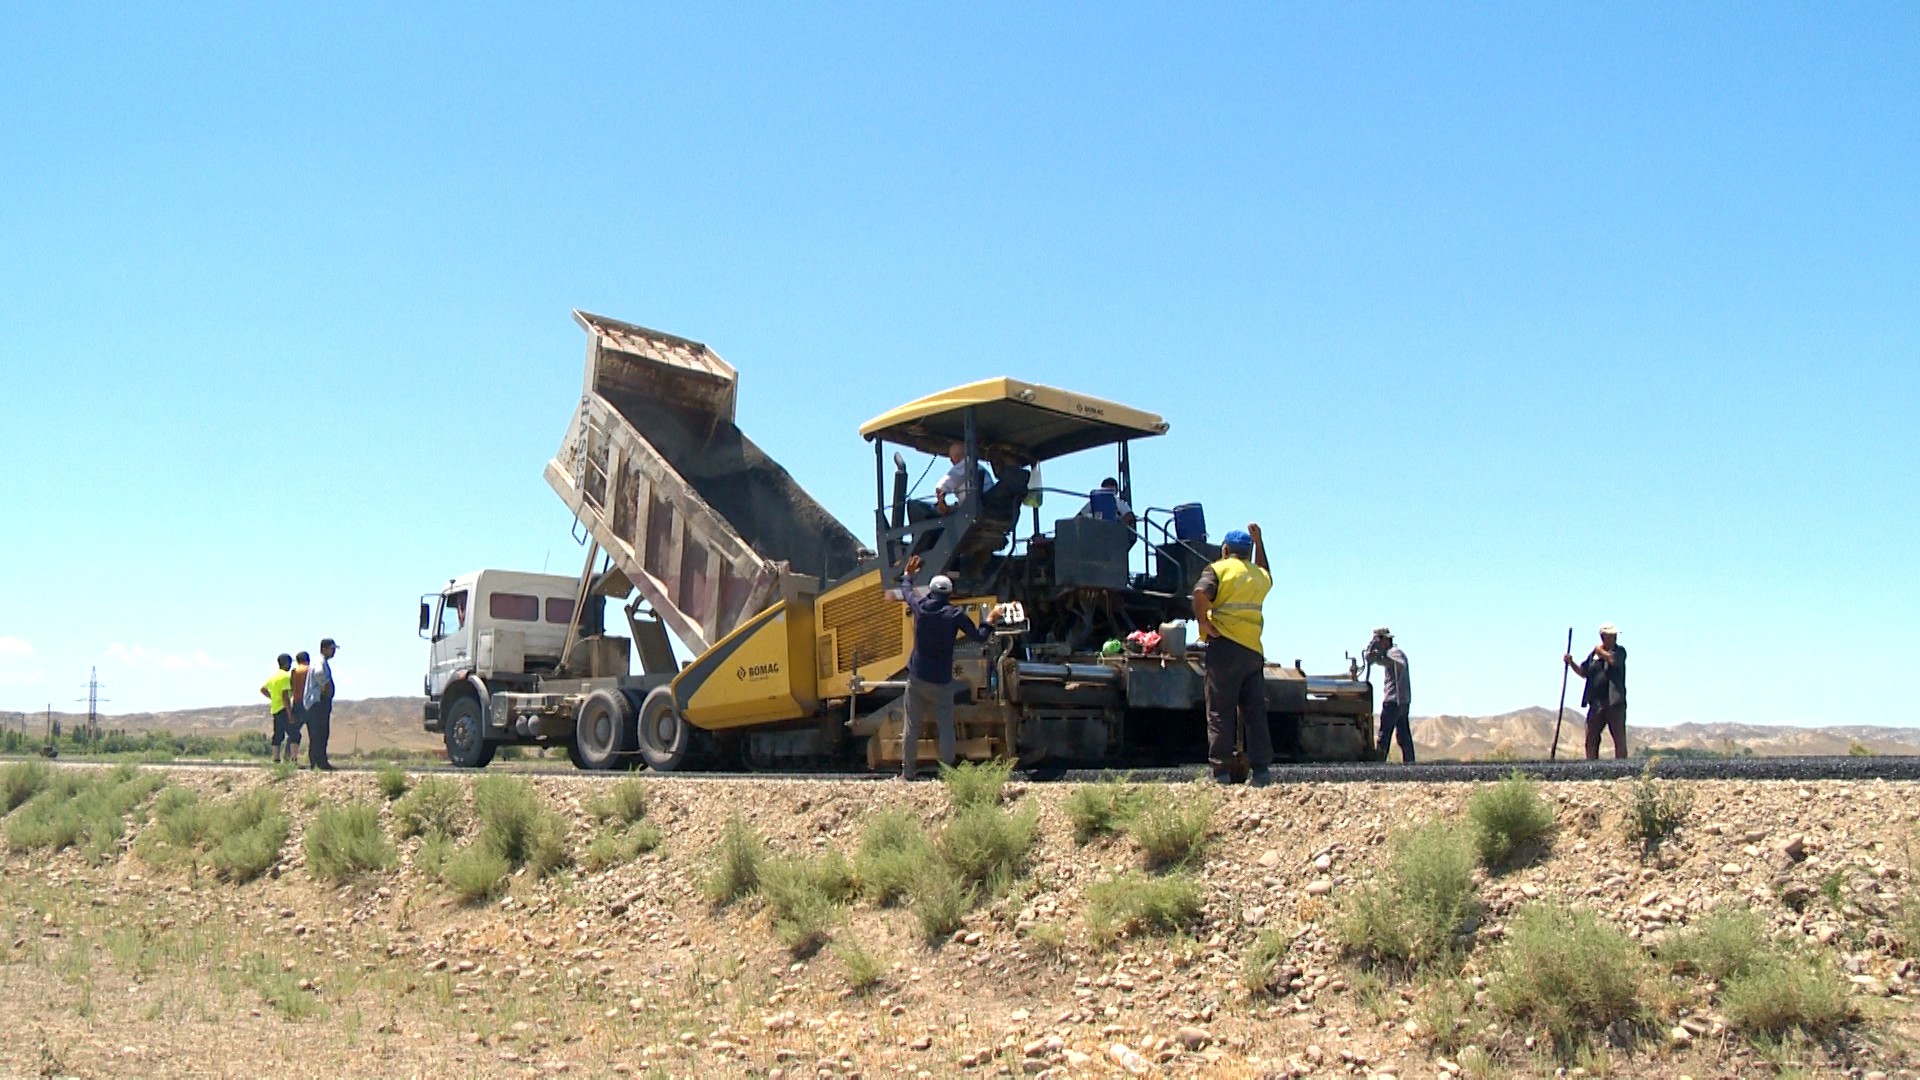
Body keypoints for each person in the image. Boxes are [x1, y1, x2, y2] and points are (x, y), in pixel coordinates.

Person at [896, 554, 997, 779]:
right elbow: (979, 637)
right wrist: (990, 619)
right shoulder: (955, 614)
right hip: (941, 681)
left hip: (918, 677)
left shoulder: (921, 607)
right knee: (946, 728)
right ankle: (947, 774)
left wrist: (907, 576)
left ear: (931, 591)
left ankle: (908, 774)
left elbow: (907, 593)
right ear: (950, 593)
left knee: (911, 726)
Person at [1192, 524, 1275, 786]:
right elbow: (1266, 571)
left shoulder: (1219, 568)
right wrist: (1259, 542)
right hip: (1253, 651)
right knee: (1254, 712)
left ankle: (1221, 773)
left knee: (1220, 711)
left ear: (1225, 550)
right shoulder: (1258, 576)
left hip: (1224, 647)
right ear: (1249, 553)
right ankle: (1261, 772)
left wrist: (1203, 623)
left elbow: (1199, 592)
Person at [1565, 623, 1627, 759]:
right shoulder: (1593, 655)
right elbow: (1583, 672)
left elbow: (1613, 661)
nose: (1614, 638)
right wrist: (1571, 663)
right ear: (1603, 637)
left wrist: (1600, 652)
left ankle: (1623, 767)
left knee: (1619, 737)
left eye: (1615, 636)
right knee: (1591, 737)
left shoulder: (1620, 652)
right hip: (1596, 703)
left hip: (1614, 703)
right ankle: (1592, 766)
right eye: (1611, 636)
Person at [1364, 628, 1414, 763]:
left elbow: (1398, 663)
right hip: (1402, 700)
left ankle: (1379, 764)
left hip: (1394, 700)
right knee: (1403, 735)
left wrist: (1379, 657)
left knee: (1384, 736)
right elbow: (1372, 660)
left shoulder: (1394, 653)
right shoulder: (1391, 654)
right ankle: (1409, 763)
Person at [301, 638, 339, 771]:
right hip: (318, 702)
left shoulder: (321, 662)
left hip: (320, 702)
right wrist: (325, 685)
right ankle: (318, 762)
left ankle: (321, 761)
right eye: (331, 649)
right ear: (324, 649)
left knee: (322, 733)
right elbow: (319, 674)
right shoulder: (319, 662)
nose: (333, 652)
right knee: (318, 733)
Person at [932, 440, 986, 515]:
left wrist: (941, 503)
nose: (951, 461)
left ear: (956, 457)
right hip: (984, 503)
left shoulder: (965, 464)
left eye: (951, 458)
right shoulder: (979, 467)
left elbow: (942, 486)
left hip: (974, 507)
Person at [260, 654, 295, 763]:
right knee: (294, 734)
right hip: (283, 708)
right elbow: (285, 696)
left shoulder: (273, 676)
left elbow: (263, 689)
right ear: (286, 663)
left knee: (278, 734)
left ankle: (276, 758)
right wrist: (290, 714)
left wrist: (273, 698)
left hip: (275, 709)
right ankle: (293, 759)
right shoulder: (285, 676)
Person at [287, 651, 311, 759]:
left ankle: (290, 757)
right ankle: (314, 758)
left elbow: (291, 687)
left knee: (294, 733)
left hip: (297, 703)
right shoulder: (310, 670)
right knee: (314, 733)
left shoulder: (295, 671)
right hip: (309, 703)